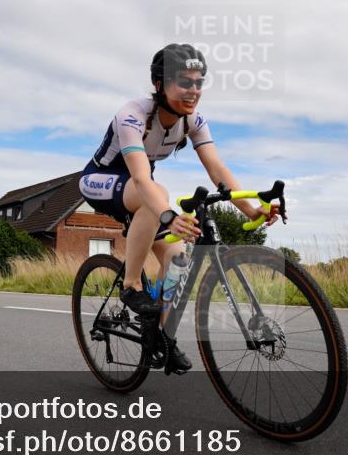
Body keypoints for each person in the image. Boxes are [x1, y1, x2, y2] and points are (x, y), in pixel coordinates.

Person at [79, 43, 281, 373]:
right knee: (156, 193)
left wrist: (250, 209)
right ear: (159, 84)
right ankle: (131, 286)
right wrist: (169, 216)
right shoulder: (132, 115)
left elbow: (217, 168)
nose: (194, 90)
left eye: (199, 82)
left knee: (177, 261)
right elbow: (142, 179)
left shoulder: (194, 121)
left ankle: (160, 337)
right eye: (184, 82)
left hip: (143, 191)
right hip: (103, 181)